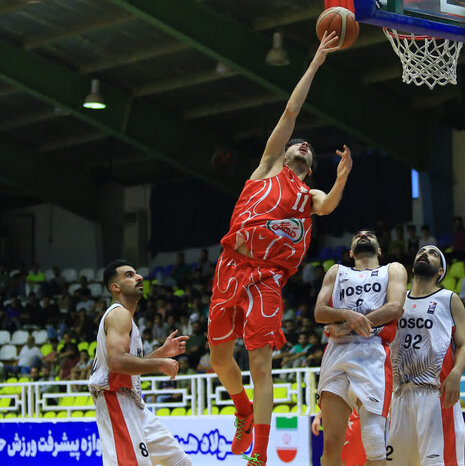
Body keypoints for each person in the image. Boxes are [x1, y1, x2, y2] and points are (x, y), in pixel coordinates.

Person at [207, 32, 349, 466]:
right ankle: (243, 410)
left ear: (309, 168)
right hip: (231, 267)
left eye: (308, 148)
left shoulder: (309, 198)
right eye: (297, 143)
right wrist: (316, 63)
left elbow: (327, 206)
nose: (302, 144)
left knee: (261, 365)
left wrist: (342, 177)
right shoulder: (267, 168)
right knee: (218, 359)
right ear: (285, 153)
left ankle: (261, 456)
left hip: (267, 280)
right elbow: (291, 110)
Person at [315, 230, 407, 466]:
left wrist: (347, 325)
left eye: (370, 234)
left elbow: (395, 307)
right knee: (332, 442)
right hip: (337, 353)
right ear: (351, 252)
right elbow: (319, 312)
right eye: (358, 234)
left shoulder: (393, 269)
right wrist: (346, 314)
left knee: (374, 440)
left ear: (379, 250)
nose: (363, 234)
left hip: (372, 352)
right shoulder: (337, 272)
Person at [89, 260, 191, 466]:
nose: (139, 277)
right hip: (115, 399)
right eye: (129, 275)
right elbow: (117, 362)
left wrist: (161, 353)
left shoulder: (127, 319)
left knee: (180, 462)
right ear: (115, 287)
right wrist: (160, 363)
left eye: (136, 274)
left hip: (134, 403)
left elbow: (128, 366)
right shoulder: (119, 314)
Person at [387, 245, 465, 465]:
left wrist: (456, 375)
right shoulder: (395, 301)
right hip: (400, 394)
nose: (424, 254)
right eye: (420, 252)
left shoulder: (449, 299)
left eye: (433, 254)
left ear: (440, 271)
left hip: (435, 393)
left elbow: (462, 345)